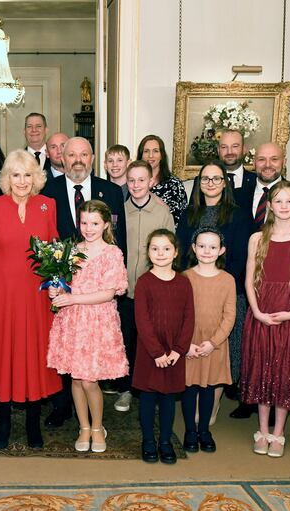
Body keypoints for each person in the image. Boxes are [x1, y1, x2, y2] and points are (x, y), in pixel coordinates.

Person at [0, 150, 62, 449]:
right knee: (1, 357)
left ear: (36, 177)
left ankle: (34, 425)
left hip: (35, 296)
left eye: (26, 174)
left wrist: (60, 284)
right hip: (0, 296)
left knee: (33, 355)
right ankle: (3, 425)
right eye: (15, 174)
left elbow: (55, 253)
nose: (21, 181)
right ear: (6, 178)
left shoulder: (48, 206)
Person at [41, 136, 127, 428]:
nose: (77, 160)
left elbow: (120, 239)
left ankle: (96, 425)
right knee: (72, 370)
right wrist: (55, 284)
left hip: (96, 307)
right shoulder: (47, 191)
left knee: (89, 375)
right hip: (69, 300)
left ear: (92, 158)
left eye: (84, 154)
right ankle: (70, 413)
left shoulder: (112, 191)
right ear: (62, 158)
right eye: (71, 154)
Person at [241, 180, 290, 458]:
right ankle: (262, 430)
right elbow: (249, 281)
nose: (283, 206)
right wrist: (258, 312)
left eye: (289, 201)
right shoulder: (256, 238)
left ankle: (279, 432)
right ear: (269, 205)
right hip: (262, 308)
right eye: (278, 201)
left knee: (284, 369)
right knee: (262, 367)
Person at [47, 200, 129, 453]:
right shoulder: (70, 250)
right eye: (84, 222)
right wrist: (56, 290)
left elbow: (108, 292)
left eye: (94, 223)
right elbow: (63, 283)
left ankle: (97, 426)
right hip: (72, 321)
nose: (89, 228)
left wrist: (73, 299)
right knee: (76, 377)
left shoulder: (112, 253)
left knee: (90, 379)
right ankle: (83, 426)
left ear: (106, 224)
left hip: (97, 322)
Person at [177, 161, 251, 421]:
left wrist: (219, 283)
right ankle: (194, 401)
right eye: (205, 179)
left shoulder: (239, 215)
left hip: (227, 292)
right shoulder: (189, 214)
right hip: (192, 290)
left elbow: (241, 257)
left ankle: (213, 404)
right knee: (194, 346)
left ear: (225, 182)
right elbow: (181, 254)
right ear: (199, 183)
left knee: (221, 352)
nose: (210, 183)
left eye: (216, 178)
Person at [116, 160, 175, 413]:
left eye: (142, 180)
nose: (136, 185)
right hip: (125, 289)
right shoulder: (119, 210)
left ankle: (152, 389)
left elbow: (170, 249)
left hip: (153, 290)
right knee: (127, 339)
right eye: (132, 180)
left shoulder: (162, 212)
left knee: (151, 340)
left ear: (151, 181)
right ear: (126, 182)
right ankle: (126, 389)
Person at [133, 229, 194, 464]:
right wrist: (157, 352)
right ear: (148, 252)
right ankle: (148, 440)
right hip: (151, 352)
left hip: (174, 353)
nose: (161, 253)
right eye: (155, 249)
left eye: (166, 248)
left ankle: (166, 441)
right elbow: (142, 320)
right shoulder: (144, 282)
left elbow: (189, 318)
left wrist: (179, 349)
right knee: (148, 399)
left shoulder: (183, 282)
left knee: (169, 399)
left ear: (176, 252)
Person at [182, 228, 235, 454]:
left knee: (208, 388)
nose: (206, 251)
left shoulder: (227, 280)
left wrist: (213, 342)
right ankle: (189, 432)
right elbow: (179, 314)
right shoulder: (184, 277)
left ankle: (204, 430)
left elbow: (229, 315)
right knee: (190, 388)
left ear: (221, 250)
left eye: (212, 247)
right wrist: (185, 344)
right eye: (202, 246)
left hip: (214, 345)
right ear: (194, 248)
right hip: (190, 343)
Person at [240, 142, 290, 231]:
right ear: (254, 163)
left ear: (284, 162)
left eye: (274, 159)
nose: (267, 165)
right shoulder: (236, 196)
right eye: (261, 159)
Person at [189, 129, 256, 213]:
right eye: (224, 147)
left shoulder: (256, 181)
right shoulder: (203, 181)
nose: (229, 152)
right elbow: (192, 216)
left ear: (244, 149)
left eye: (235, 146)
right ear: (218, 150)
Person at [136, 135, 188, 226]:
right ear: (141, 155)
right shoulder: (134, 183)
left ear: (161, 155)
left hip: (165, 236)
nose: (150, 155)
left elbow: (181, 219)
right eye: (146, 151)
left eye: (155, 151)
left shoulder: (175, 184)